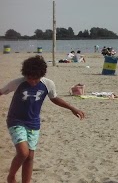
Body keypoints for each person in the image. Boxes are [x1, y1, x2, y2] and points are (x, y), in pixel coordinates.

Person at [0, 55, 86, 183]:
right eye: (30, 78)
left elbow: (55, 98)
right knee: (23, 153)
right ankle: (11, 176)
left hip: (34, 123)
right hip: (16, 121)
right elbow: (1, 92)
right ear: (25, 74)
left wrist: (72, 108)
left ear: (41, 75)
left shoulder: (48, 84)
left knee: (30, 156)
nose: (33, 82)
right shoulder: (18, 83)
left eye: (36, 79)